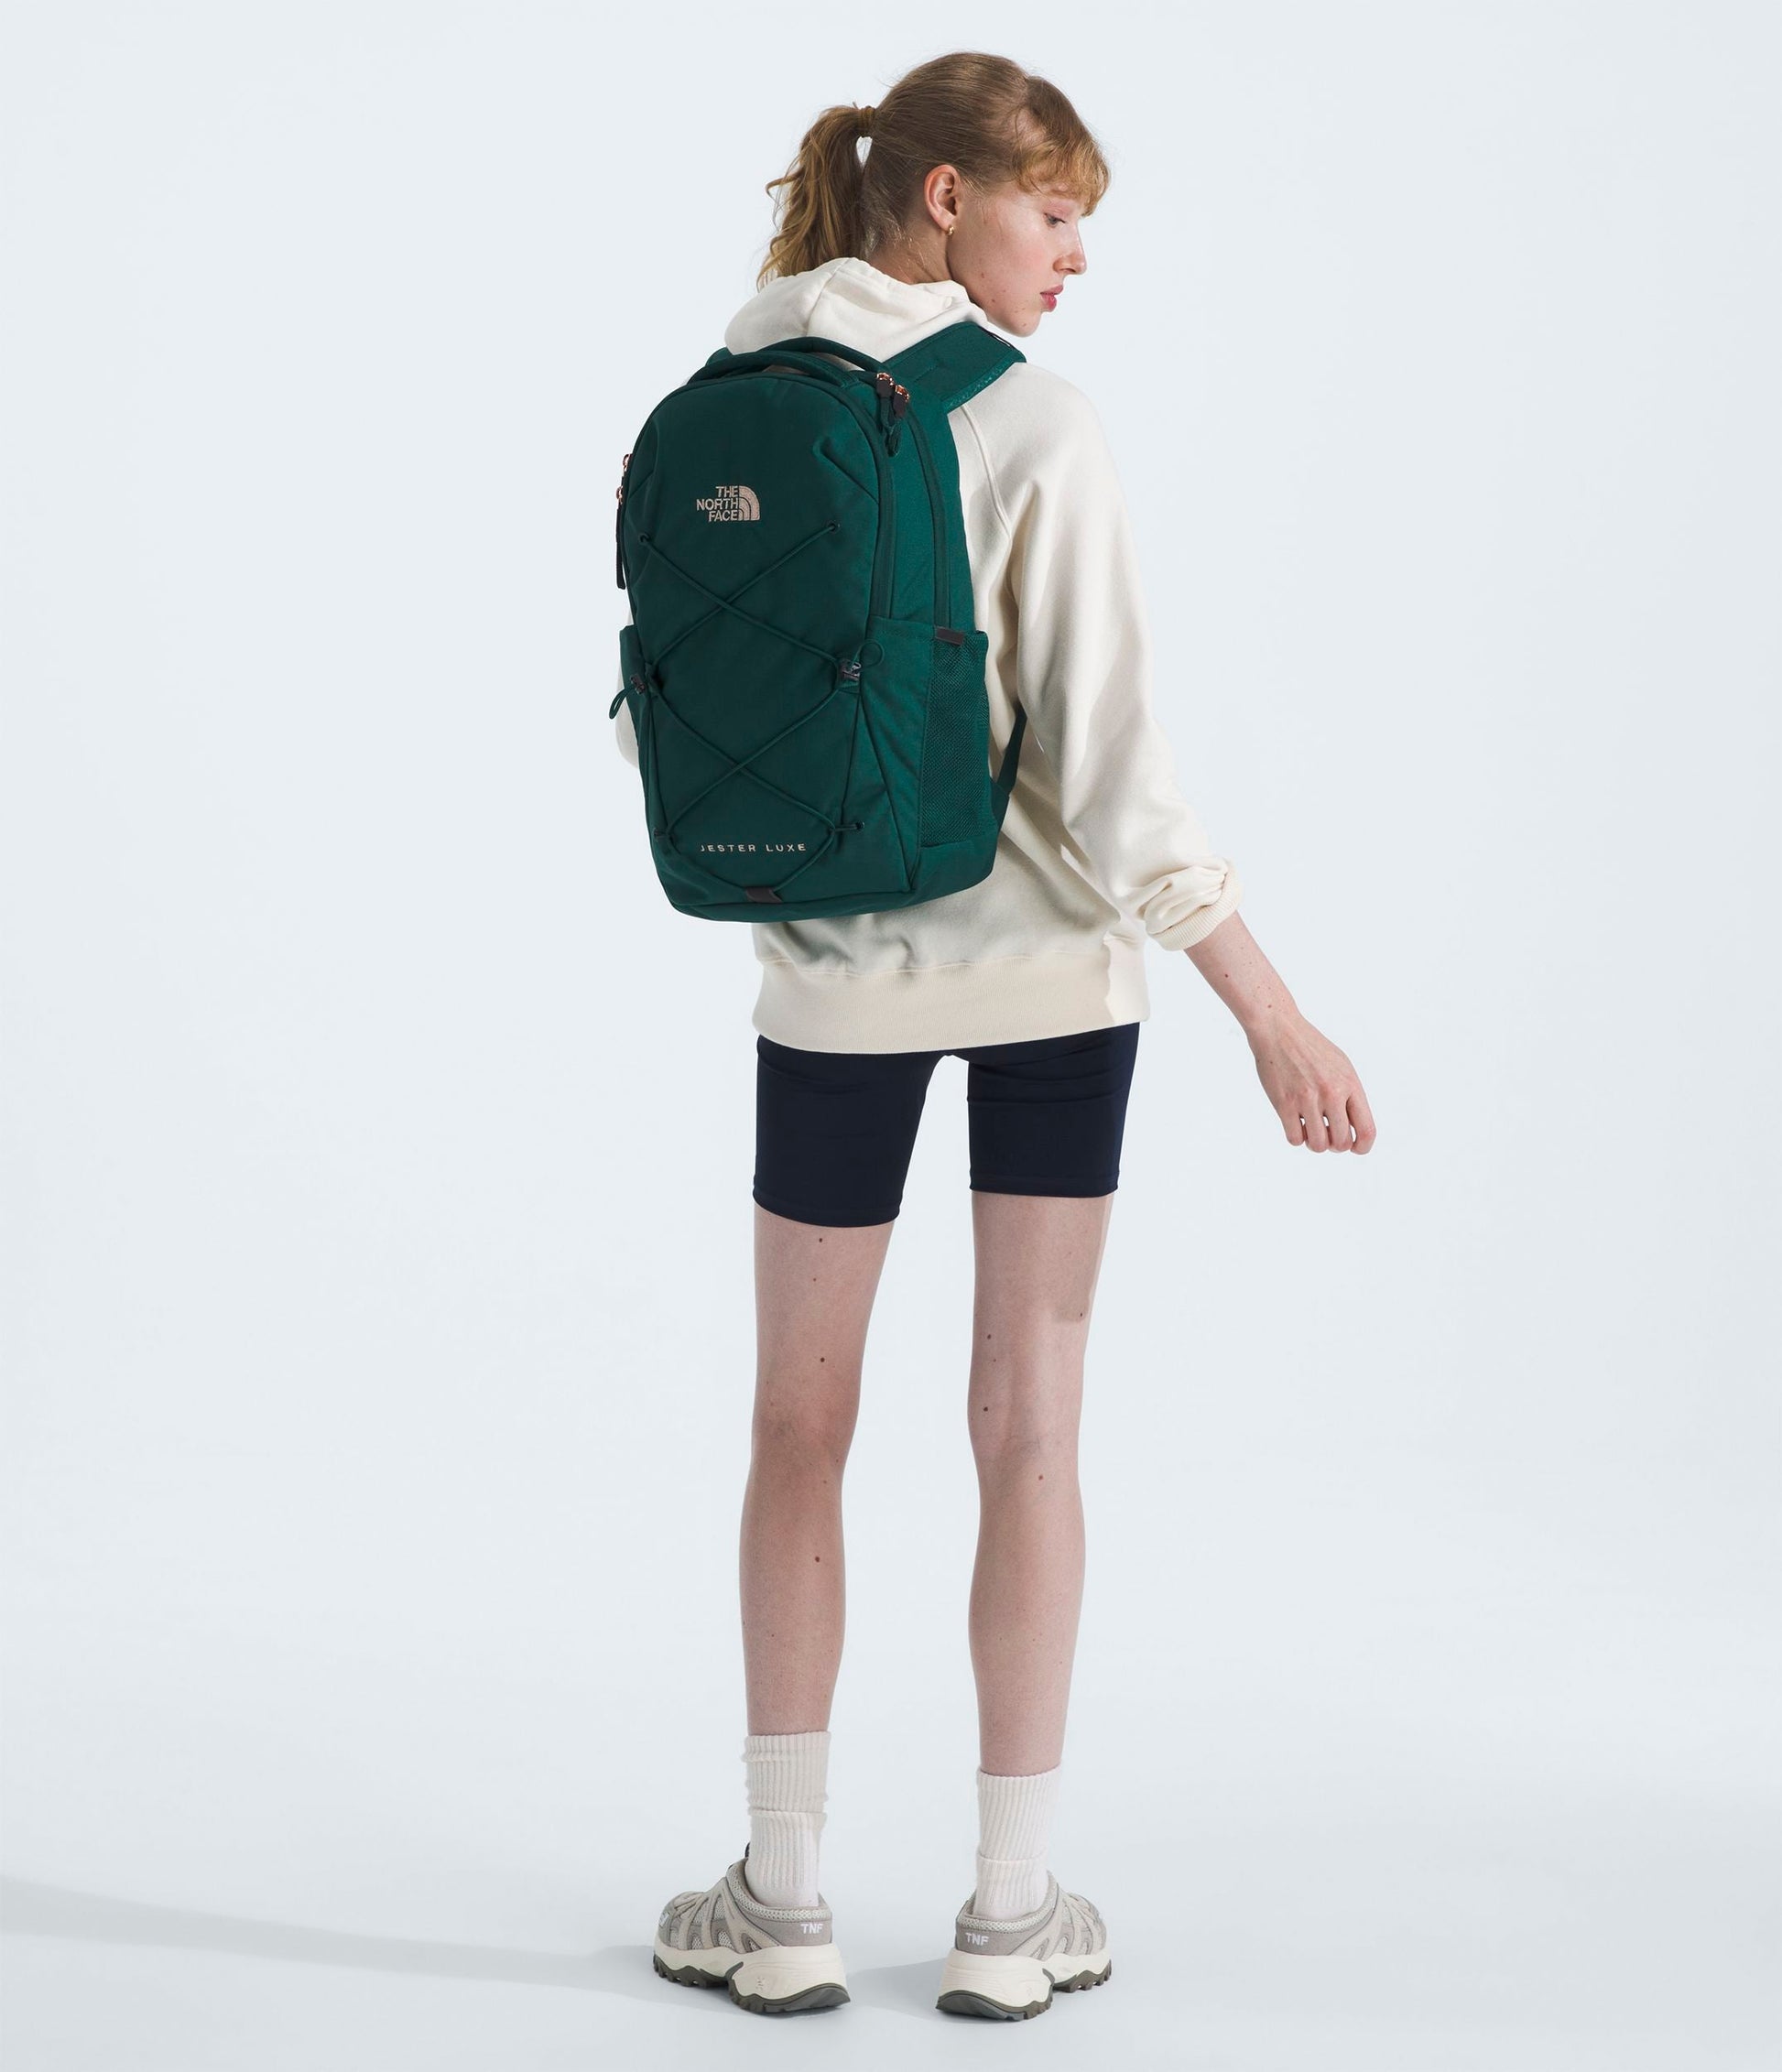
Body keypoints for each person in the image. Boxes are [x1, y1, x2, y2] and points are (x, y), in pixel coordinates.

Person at [625, 50, 1376, 2021]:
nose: (1075, 260)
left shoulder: (722, 395)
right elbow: (1116, 784)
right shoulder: (1029, 420)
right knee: (1027, 1418)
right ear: (948, 199)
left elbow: (665, 721)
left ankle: (781, 1900)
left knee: (797, 1423)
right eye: (1057, 216)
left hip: (828, 994)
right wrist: (1271, 1011)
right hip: (1054, 992)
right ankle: (1010, 1913)